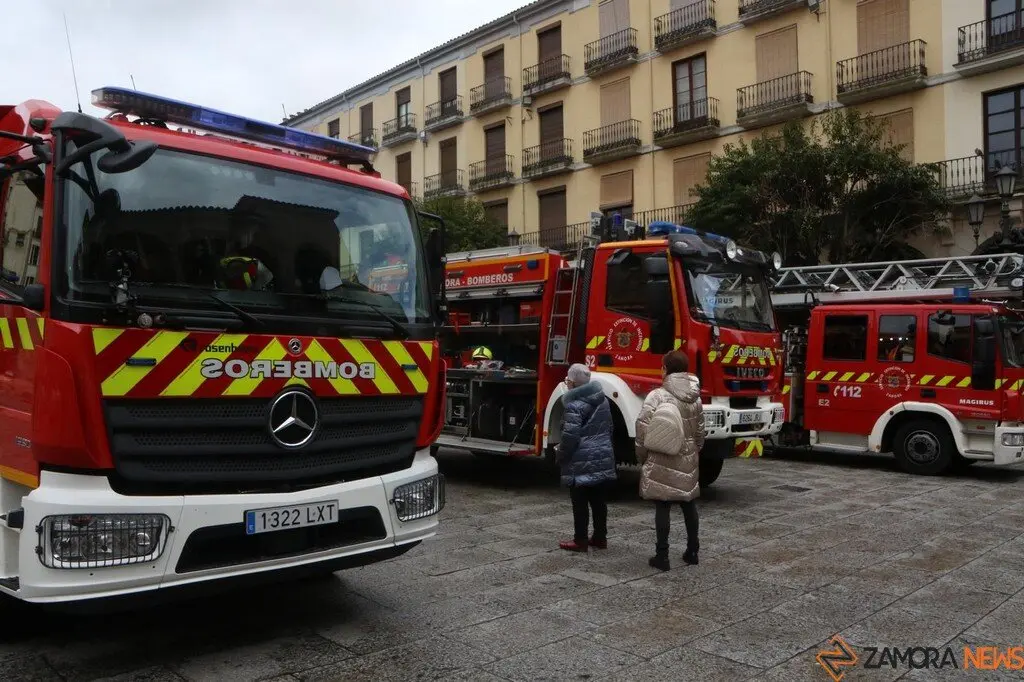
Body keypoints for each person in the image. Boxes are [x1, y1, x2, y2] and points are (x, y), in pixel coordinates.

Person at [635, 350, 705, 571]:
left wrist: (642, 456)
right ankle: (693, 551)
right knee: (688, 502)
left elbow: (642, 429)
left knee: (663, 504)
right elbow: (701, 430)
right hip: (688, 453)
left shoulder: (656, 395)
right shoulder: (696, 398)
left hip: (662, 454)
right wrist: (695, 449)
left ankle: (662, 555)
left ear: (665, 369)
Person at [556, 363, 617, 552]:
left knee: (580, 501)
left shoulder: (574, 405)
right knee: (599, 500)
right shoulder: (603, 400)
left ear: (573, 383)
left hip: (581, 459)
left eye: (568, 380)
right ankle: (600, 537)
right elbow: (610, 427)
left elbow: (570, 437)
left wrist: (561, 454)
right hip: (602, 454)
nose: (567, 383)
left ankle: (580, 540)